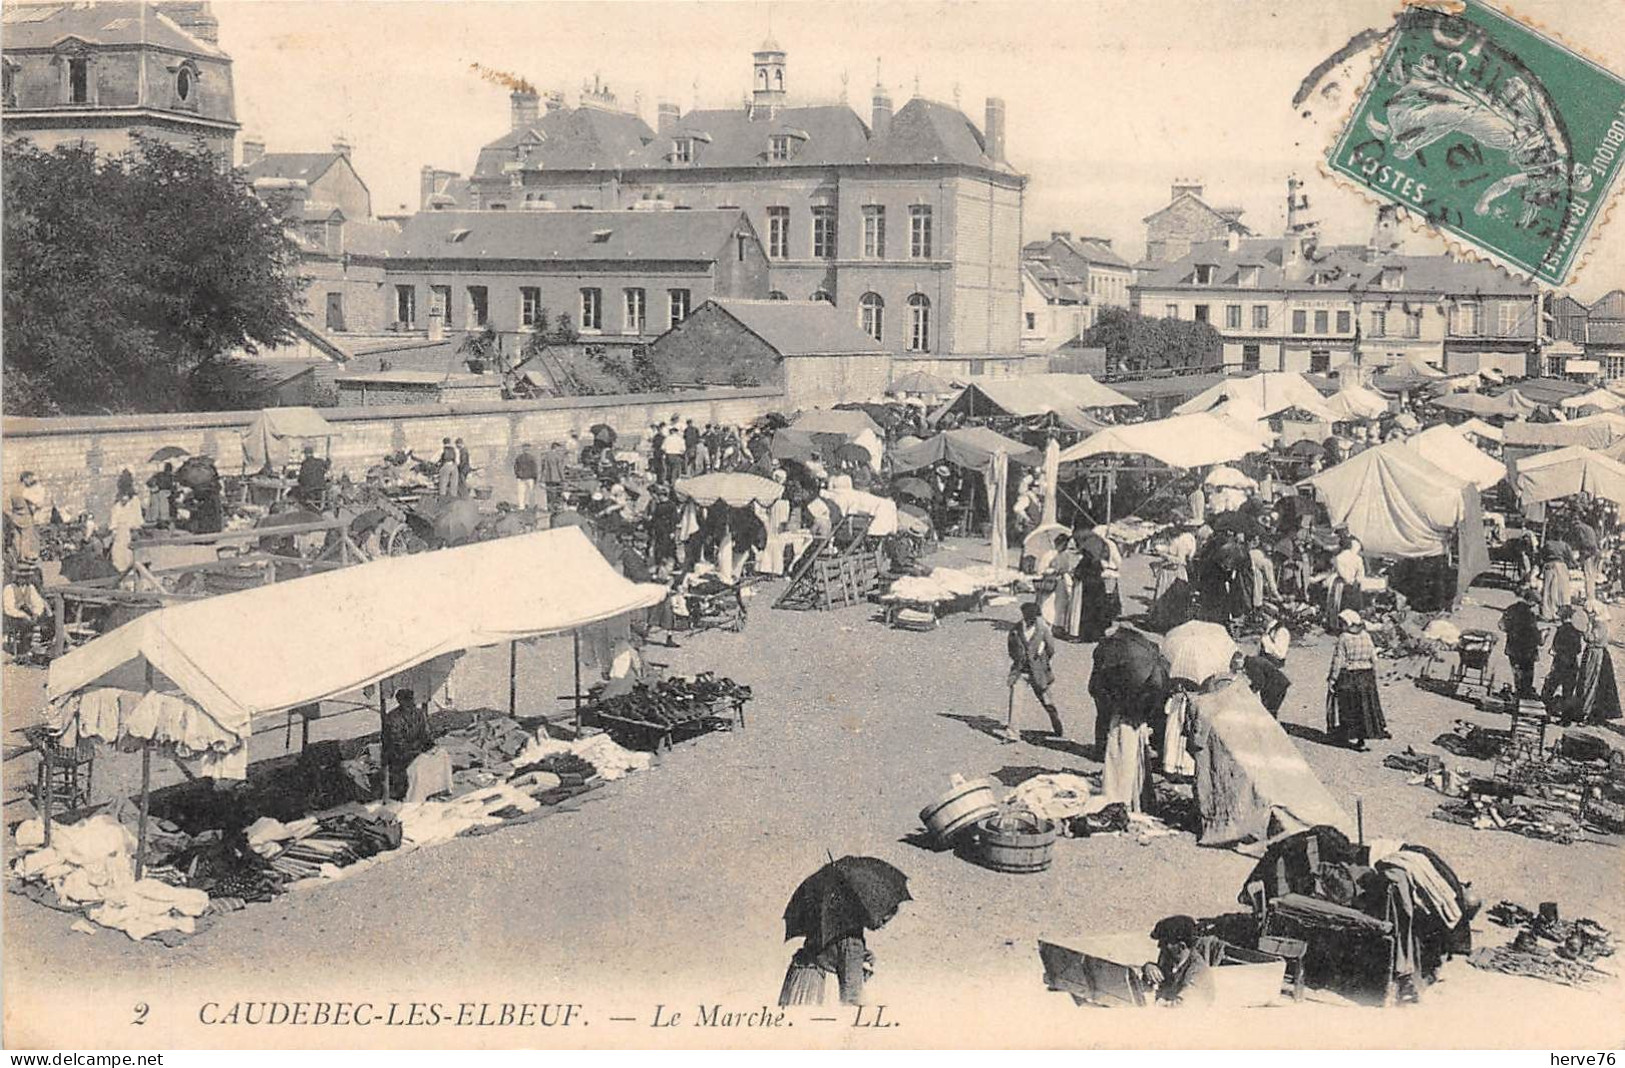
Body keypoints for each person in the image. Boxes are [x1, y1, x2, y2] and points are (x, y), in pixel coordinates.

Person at [1326, 609, 1389, 750]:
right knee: (1365, 708)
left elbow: (1338, 660)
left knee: (1350, 708)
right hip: (1366, 676)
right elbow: (1374, 657)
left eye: (1342, 622)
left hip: (1350, 675)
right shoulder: (1366, 635)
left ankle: (1347, 736)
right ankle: (1361, 740)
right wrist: (1372, 675)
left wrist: (1332, 679)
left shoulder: (1344, 637)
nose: (1341, 625)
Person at [1007, 601, 1064, 739]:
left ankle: (1056, 724)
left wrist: (1042, 661)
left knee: (1047, 702)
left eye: (1033, 618)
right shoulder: (1015, 629)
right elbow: (1011, 649)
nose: (1030, 620)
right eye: (1028, 617)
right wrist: (1019, 659)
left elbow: (1051, 649)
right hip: (1020, 672)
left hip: (1038, 673)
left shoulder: (1043, 628)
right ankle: (1012, 733)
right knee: (1015, 701)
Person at [779, 929, 877, 1007]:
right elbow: (852, 996)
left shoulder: (828, 922)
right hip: (816, 988)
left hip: (800, 981)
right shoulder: (852, 937)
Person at [1141, 916, 1220, 1007]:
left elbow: (1184, 1006)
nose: (1159, 946)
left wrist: (1158, 1004)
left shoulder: (1198, 971)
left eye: (1164, 942)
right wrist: (1148, 966)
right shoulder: (1170, 961)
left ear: (1181, 946)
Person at [382, 688, 435, 798]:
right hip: (399, 753)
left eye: (410, 700)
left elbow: (425, 732)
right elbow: (396, 740)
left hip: (418, 748)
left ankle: (429, 789)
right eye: (405, 700)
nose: (409, 703)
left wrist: (429, 745)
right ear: (399, 701)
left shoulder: (419, 713)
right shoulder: (393, 717)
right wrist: (413, 748)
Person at [1242, 605, 1292, 717]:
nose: (1259, 620)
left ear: (1269, 617)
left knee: (1270, 705)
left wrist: (1267, 641)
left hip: (1274, 671)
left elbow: (1280, 654)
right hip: (1264, 671)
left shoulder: (1282, 631)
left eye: (1262, 617)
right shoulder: (1267, 630)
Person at [1575, 605, 1622, 725]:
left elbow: (1591, 638)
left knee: (1591, 683)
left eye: (1590, 614)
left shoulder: (1599, 624)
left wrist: (1586, 630)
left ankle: (1588, 712)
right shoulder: (1598, 623)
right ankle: (1585, 710)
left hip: (1596, 656)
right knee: (1587, 682)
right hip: (1593, 653)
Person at [1500, 587, 1543, 698]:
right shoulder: (1530, 615)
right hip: (1528, 650)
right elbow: (1534, 634)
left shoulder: (1511, 609)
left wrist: (1512, 631)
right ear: (1532, 602)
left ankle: (1518, 693)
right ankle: (1523, 694)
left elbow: (1501, 625)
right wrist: (1542, 637)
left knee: (1516, 671)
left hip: (1513, 647)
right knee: (1527, 674)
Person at [1543, 605, 1585, 718]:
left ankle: (1546, 713)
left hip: (1560, 664)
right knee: (1568, 692)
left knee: (1549, 688)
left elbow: (1555, 648)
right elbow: (1578, 649)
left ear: (1562, 617)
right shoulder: (1577, 632)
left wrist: (1554, 652)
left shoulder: (1560, 630)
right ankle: (1565, 719)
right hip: (1572, 664)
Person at [3, 566, 53, 659]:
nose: (24, 580)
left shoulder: (30, 587)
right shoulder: (9, 588)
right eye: (21, 577)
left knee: (47, 623)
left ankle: (41, 647)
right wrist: (24, 615)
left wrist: (36, 613)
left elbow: (38, 603)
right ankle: (25, 649)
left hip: (30, 615)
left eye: (26, 577)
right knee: (26, 624)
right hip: (15, 617)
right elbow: (9, 608)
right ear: (17, 577)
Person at [1325, 534, 1366, 630]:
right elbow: (1361, 574)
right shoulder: (1357, 558)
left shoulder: (1338, 558)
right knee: (1352, 605)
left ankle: (1338, 626)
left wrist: (1347, 580)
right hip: (1354, 584)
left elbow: (1340, 572)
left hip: (1341, 584)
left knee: (1339, 605)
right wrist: (1355, 581)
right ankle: (1353, 625)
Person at [108, 470, 145, 574]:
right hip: (121, 533)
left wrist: (134, 527)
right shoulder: (118, 504)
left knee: (129, 556)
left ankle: (131, 580)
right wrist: (114, 530)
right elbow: (114, 519)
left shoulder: (134, 501)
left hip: (128, 532)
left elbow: (137, 519)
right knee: (119, 556)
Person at [8, 471, 46, 562]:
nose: (31, 481)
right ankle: (24, 557)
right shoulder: (25, 490)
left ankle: (17, 557)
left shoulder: (14, 490)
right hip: (25, 516)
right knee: (26, 537)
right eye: (30, 479)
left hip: (15, 516)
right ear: (25, 479)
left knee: (17, 537)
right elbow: (37, 503)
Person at [1540, 544, 1573, 621]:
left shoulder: (1548, 544)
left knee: (1548, 590)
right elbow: (1570, 558)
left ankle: (1548, 613)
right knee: (1559, 590)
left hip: (1550, 565)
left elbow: (1541, 556)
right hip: (1559, 566)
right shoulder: (1564, 545)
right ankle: (1557, 613)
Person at [295, 443, 329, 511]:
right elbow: (327, 466)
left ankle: (304, 510)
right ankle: (320, 508)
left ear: (305, 454)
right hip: (321, 488)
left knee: (297, 492)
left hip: (309, 490)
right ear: (312, 453)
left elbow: (301, 479)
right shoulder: (320, 461)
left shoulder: (305, 464)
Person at [147, 463, 176, 528]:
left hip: (158, 492)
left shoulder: (159, 474)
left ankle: (157, 520)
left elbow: (148, 482)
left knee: (158, 508)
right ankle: (163, 520)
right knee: (163, 508)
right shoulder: (171, 476)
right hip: (165, 493)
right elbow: (172, 487)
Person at [541, 441, 569, 508]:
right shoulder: (558, 456)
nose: (559, 450)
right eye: (558, 448)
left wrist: (542, 479)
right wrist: (563, 479)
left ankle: (549, 507)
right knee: (557, 493)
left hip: (548, 478)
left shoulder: (546, 455)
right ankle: (556, 507)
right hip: (556, 478)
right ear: (555, 447)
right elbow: (560, 469)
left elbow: (544, 468)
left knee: (549, 493)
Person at [513, 443, 539, 511]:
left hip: (521, 478)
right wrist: (535, 478)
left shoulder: (519, 457)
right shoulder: (532, 457)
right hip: (530, 477)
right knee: (531, 493)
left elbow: (515, 468)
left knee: (521, 493)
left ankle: (521, 506)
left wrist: (518, 474)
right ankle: (531, 506)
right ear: (529, 449)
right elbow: (534, 468)